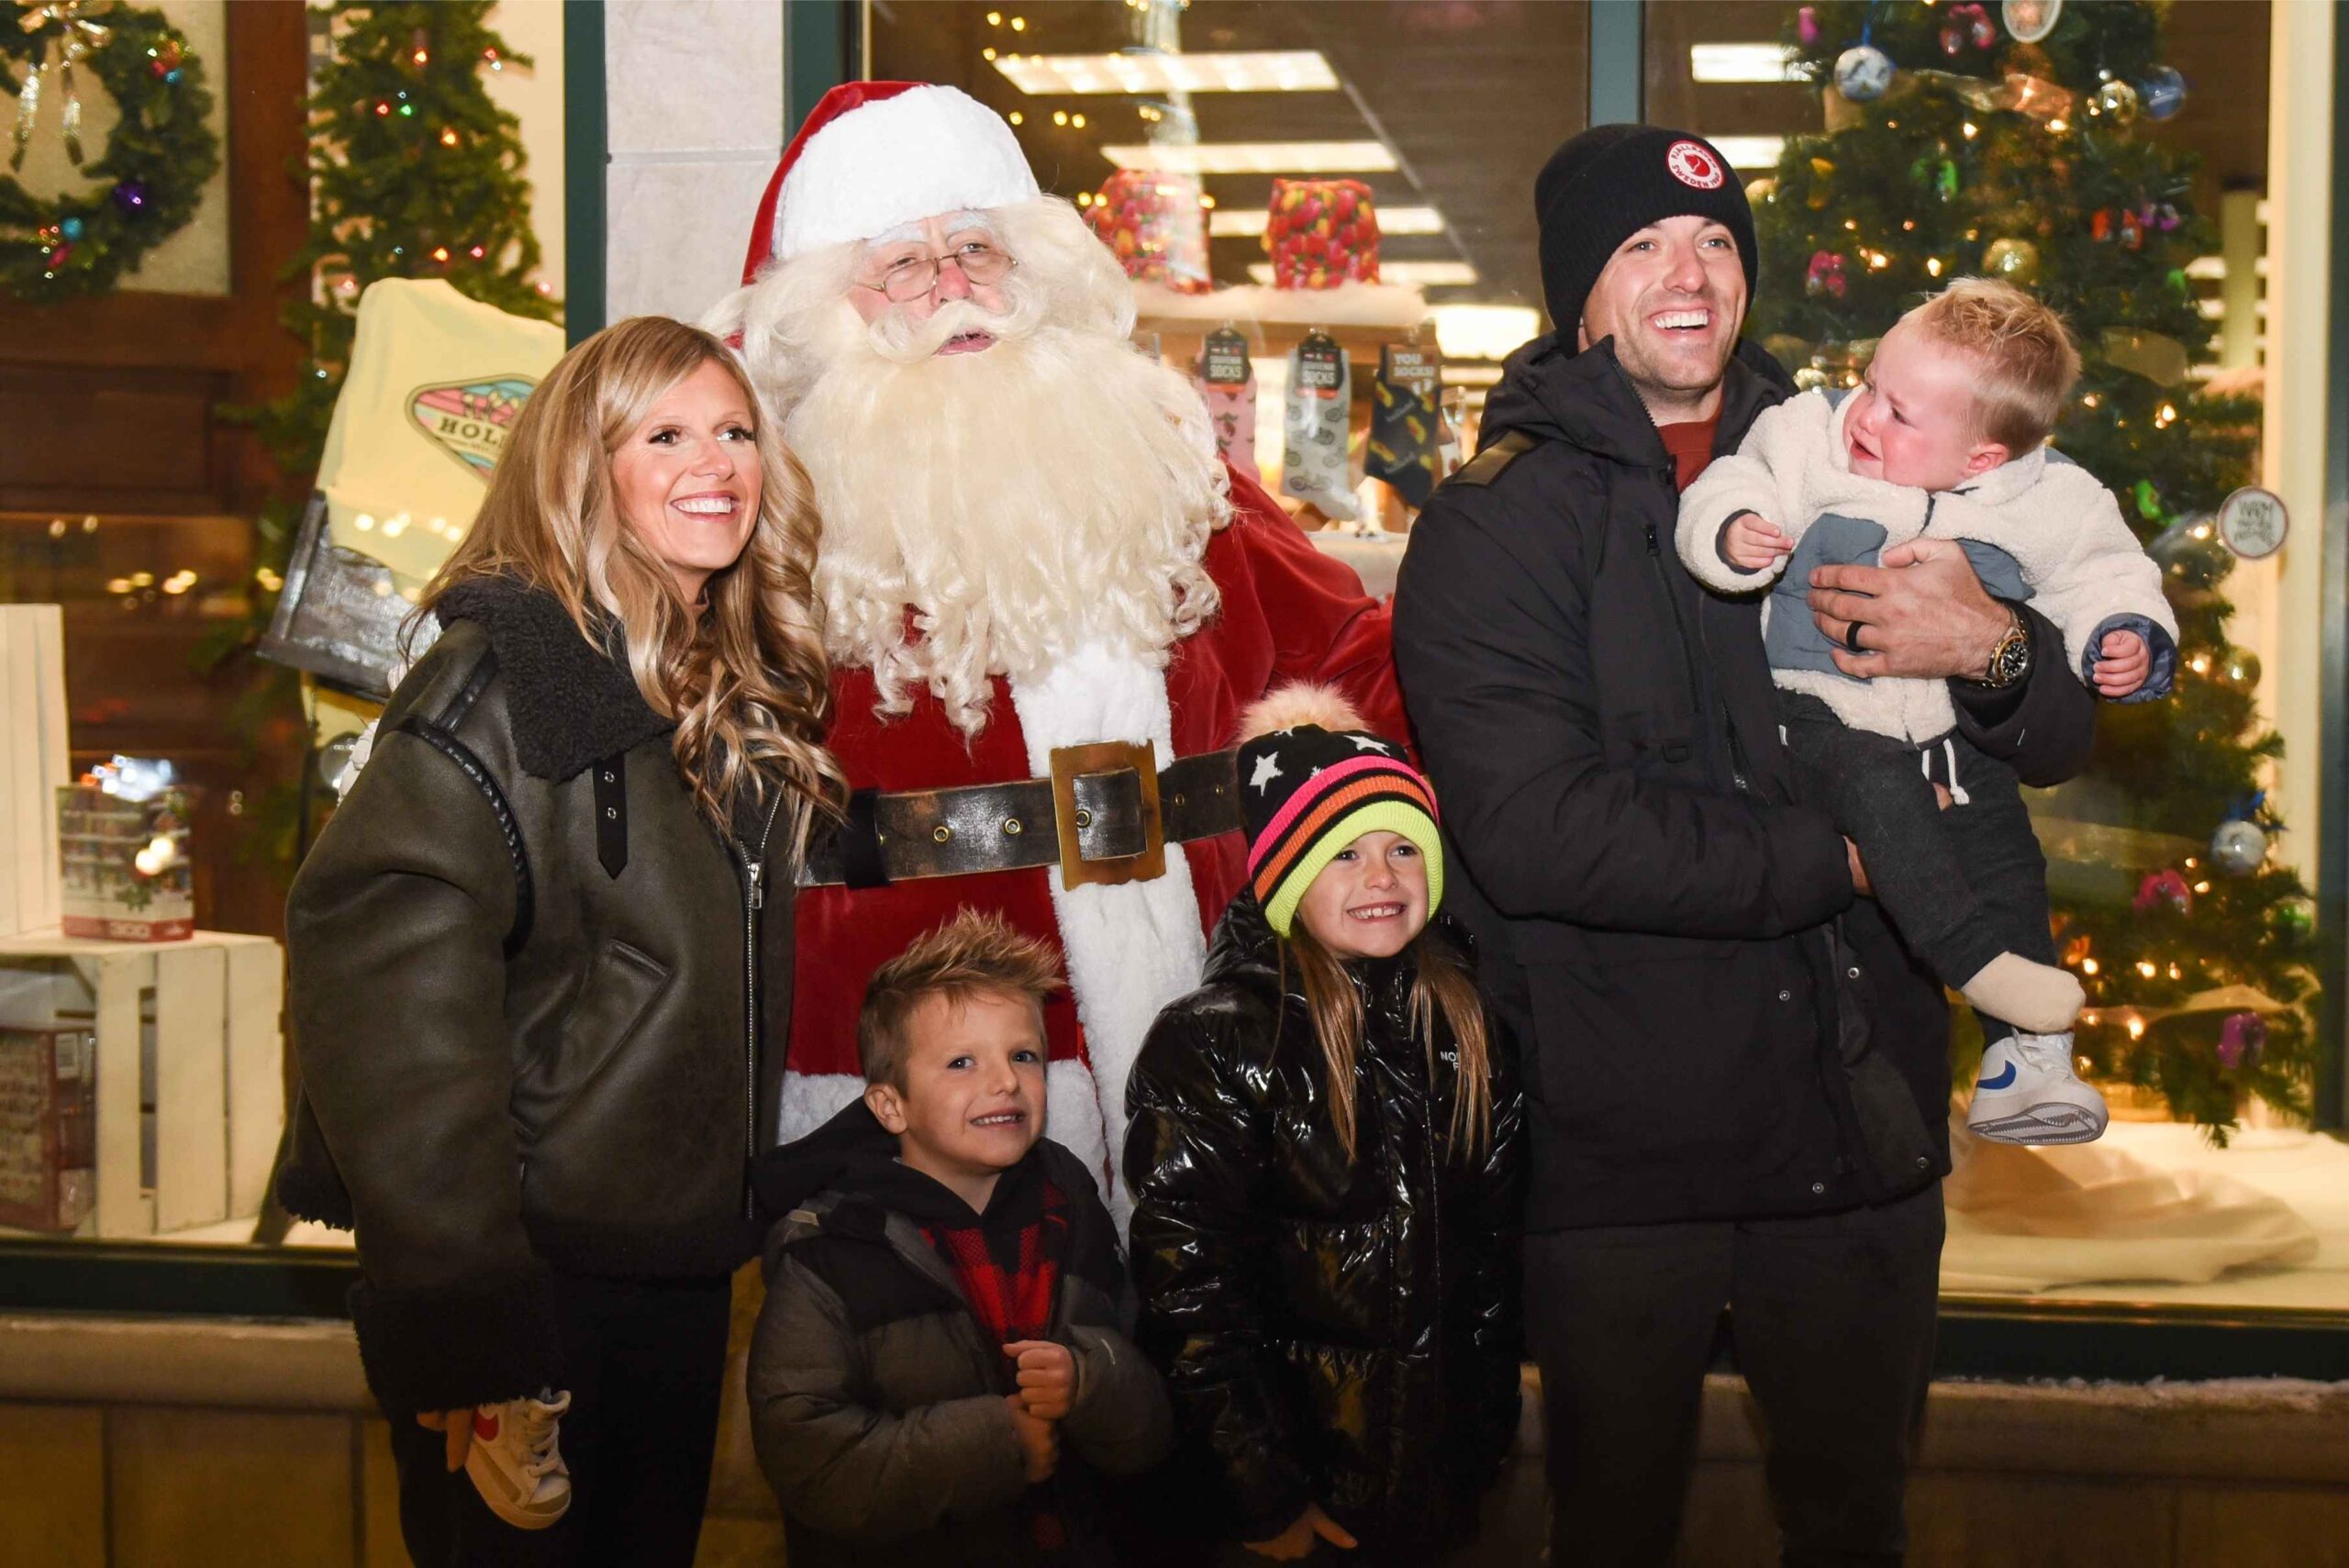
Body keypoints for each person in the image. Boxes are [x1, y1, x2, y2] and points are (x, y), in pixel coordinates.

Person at [1392, 125, 2099, 1566]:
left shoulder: (1862, 456)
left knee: (1856, 1523)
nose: (1687, 273)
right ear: (1578, 295)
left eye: (1717, 244)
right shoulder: (1498, 523)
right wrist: (1852, 865)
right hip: (1620, 1153)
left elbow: (2052, 731)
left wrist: (2002, 656)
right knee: (1614, 1529)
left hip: (1855, 1129)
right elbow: (1535, 833)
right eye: (1642, 244)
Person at [705, 83, 1401, 1221]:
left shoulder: (1168, 461)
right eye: (904, 265)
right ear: (825, 307)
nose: (954, 289)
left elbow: (1351, 650)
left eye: (975, 247)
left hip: (1199, 1022)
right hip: (904, 1059)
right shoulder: (774, 507)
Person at [279, 317, 844, 1567]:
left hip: (673, 1286)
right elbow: (382, 997)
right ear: (584, 468)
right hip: (531, 1310)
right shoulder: (511, 681)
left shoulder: (697, 687)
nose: (719, 463)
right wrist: (476, 1329)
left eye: (736, 430)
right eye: (667, 434)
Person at [1679, 277, 2176, 1145]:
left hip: (1950, 735)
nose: (1865, 415)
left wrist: (2125, 632)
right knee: (1877, 792)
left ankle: (2024, 1064)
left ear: (1984, 458)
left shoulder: (2048, 495)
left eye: (1901, 413)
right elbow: (1734, 480)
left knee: (2007, 856)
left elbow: (2107, 569)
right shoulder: (1810, 436)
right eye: (1870, 383)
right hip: (1819, 706)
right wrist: (1735, 530)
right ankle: (1974, 964)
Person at [1124, 686, 1524, 1565]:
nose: (1381, 877)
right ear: (1287, 880)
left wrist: (1485, 1441)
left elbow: (1493, 1262)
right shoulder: (1217, 1043)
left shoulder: (1468, 1026)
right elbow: (1190, 1296)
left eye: (1401, 850)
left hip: (1434, 1485)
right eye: (1342, 853)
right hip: (1287, 1497)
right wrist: (1262, 1495)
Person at [747, 909, 1174, 1566]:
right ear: (892, 1106)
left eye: (1023, 1055)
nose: (1004, 1080)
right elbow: (812, 1464)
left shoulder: (1071, 1206)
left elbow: (1150, 1409)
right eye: (962, 1061)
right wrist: (994, 1443)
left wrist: (1090, 1382)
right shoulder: (830, 1251)